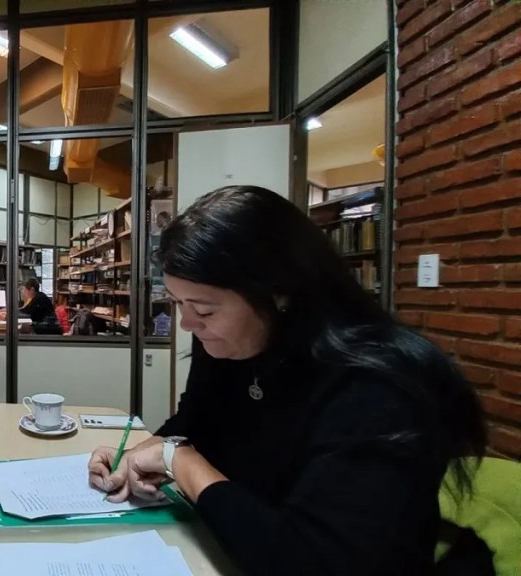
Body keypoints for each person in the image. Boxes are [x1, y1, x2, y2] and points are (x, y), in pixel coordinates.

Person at [87, 186, 486, 575]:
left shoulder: (378, 389)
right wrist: (140, 453)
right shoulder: (231, 347)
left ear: (279, 293)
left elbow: (306, 560)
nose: (188, 324)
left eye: (204, 310)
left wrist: (179, 461)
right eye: (177, 304)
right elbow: (192, 423)